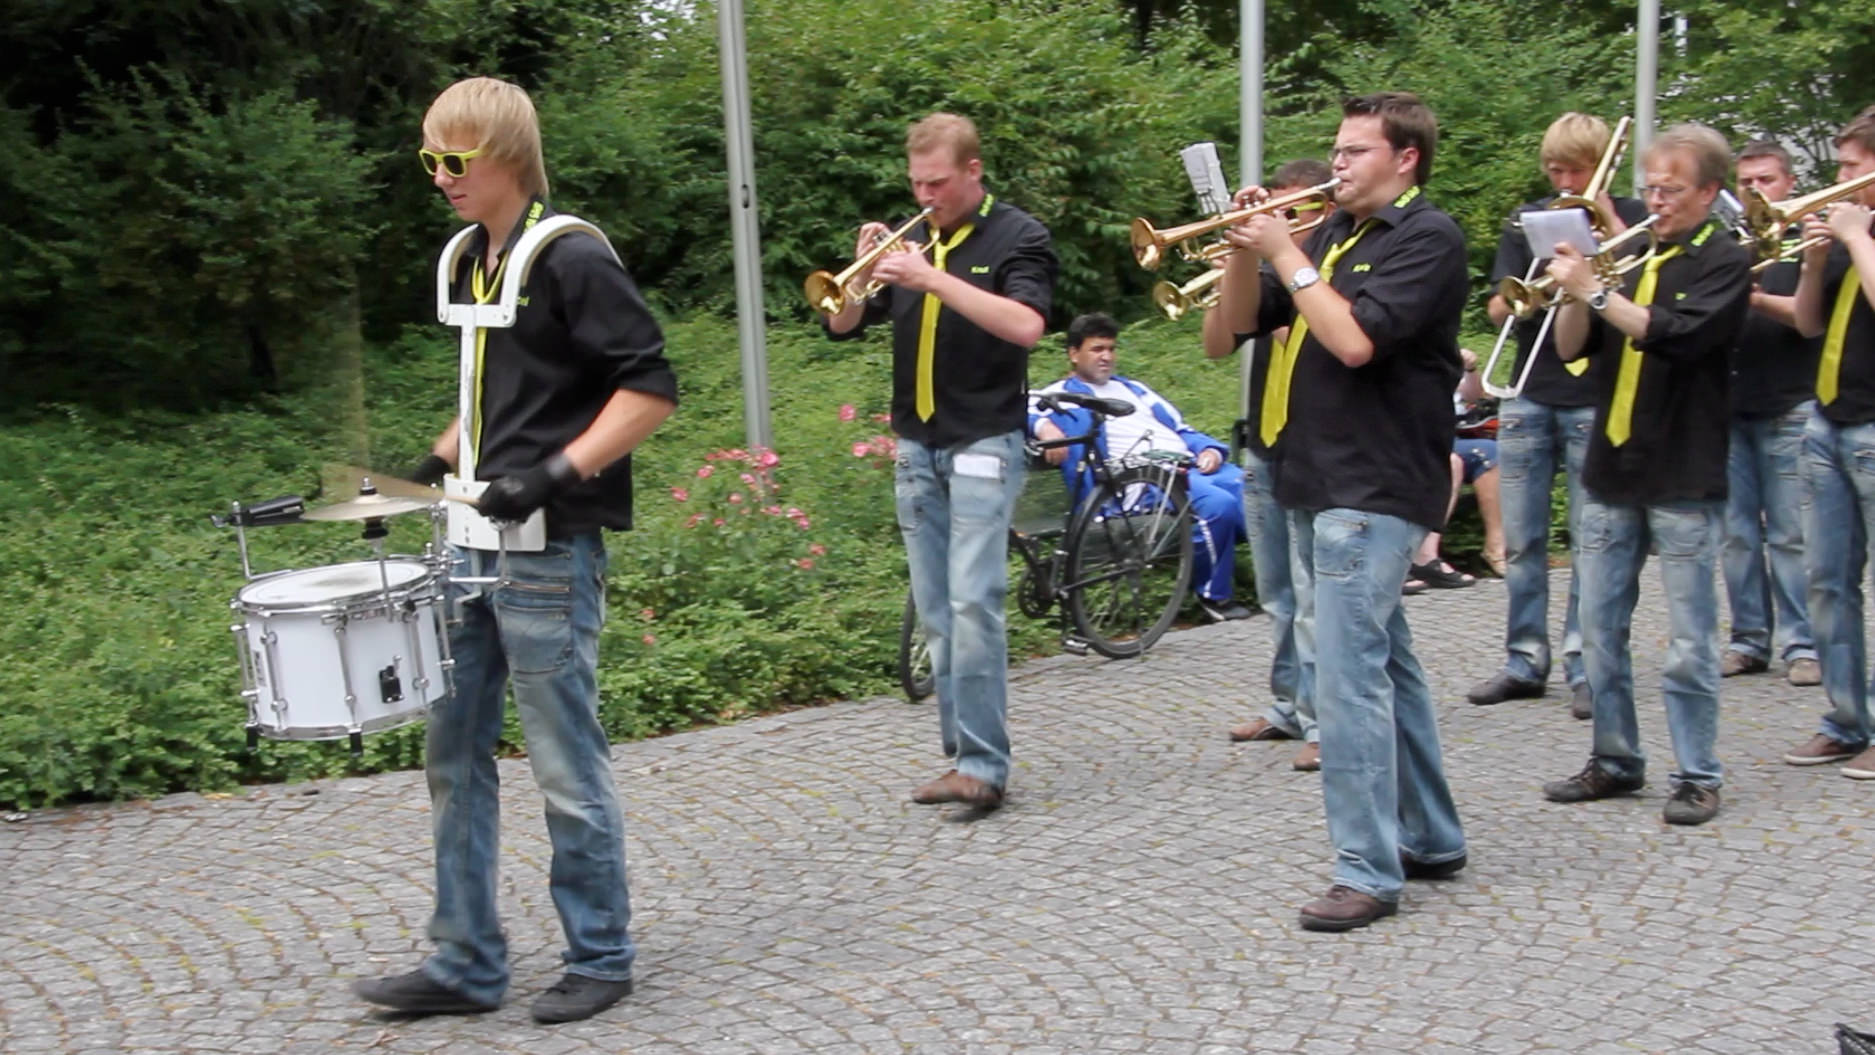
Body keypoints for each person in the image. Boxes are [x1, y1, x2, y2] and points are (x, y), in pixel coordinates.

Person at [353, 77, 679, 1023]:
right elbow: (496, 394)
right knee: (452, 756)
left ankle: (601, 953)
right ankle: (464, 961)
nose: (439, 176)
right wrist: (432, 464)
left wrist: (555, 472)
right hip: (466, 548)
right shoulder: (468, 258)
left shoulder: (571, 257)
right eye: (430, 158)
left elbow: (650, 390)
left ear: (506, 156)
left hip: (547, 550)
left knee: (564, 763)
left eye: (454, 158)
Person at [1213, 92, 1469, 931]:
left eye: (1356, 150)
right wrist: (1244, 249)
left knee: (1347, 678)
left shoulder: (1427, 236)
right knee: (1388, 665)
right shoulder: (1329, 236)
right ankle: (1429, 836)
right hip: (1316, 476)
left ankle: (1365, 868)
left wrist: (1286, 252)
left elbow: (1355, 340)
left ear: (1405, 158)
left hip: (1377, 482)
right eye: (1335, 148)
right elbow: (1232, 329)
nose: (1337, 163)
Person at [825, 112, 1057, 810]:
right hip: (916, 446)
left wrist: (932, 279)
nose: (925, 197)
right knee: (936, 611)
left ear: (972, 171)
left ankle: (984, 765)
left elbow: (1026, 325)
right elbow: (840, 323)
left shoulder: (1019, 236)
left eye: (938, 183)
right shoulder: (911, 241)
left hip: (983, 440)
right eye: (916, 183)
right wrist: (859, 278)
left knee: (973, 602)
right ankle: (962, 754)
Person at [1540, 122, 1752, 826]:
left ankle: (1697, 773)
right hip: (1611, 463)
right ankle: (1614, 757)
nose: (1655, 201)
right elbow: (1573, 349)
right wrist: (1573, 293)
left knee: (1689, 639)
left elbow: (1678, 335)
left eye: (1671, 190)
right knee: (1598, 627)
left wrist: (1598, 292)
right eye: (1651, 188)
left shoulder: (1724, 259)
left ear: (1709, 192)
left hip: (1682, 467)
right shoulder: (1630, 257)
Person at [1469, 113, 1649, 719]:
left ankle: (1583, 663)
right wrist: (1532, 286)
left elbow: (1646, 291)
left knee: (1592, 539)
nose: (1564, 181)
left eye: (1575, 170)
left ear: (1601, 167)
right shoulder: (1528, 219)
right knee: (1522, 539)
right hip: (1529, 389)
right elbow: (1498, 308)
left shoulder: (1634, 217)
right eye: (1554, 170)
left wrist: (1609, 227)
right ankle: (1524, 660)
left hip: (1596, 394)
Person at [1210, 158, 1333, 773]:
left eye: (1293, 211)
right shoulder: (1267, 274)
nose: (1281, 221)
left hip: (1312, 448)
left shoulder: (1328, 273)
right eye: (1274, 210)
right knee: (1279, 594)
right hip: (1263, 445)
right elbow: (1217, 342)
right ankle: (1289, 704)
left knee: (1313, 597)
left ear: (1324, 211)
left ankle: (1324, 720)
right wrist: (1234, 261)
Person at [1031, 313, 1250, 622]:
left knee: (1257, 491)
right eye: (1097, 349)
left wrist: (1208, 449)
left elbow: (1181, 428)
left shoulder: (1133, 388)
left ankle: (1279, 583)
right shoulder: (1060, 394)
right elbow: (1021, 408)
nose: (1107, 356)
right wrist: (1045, 428)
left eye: (1111, 348)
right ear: (1074, 353)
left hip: (1190, 463)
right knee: (1219, 506)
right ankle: (1215, 597)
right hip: (1145, 479)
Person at [1785, 111, 1875, 777]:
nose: (1837, 178)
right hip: (1826, 423)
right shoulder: (1851, 233)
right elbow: (1807, 323)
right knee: (1826, 582)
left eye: (1850, 167)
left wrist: (1853, 237)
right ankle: (1847, 719)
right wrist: (1816, 262)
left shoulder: (1859, 234)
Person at [1721, 141, 1822, 686]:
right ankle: (1748, 640)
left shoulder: (1810, 240)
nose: (1755, 190)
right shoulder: (1727, 242)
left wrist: (1754, 298)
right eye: (1746, 182)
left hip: (1789, 402)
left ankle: (1803, 644)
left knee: (1789, 534)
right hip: (1730, 403)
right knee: (1736, 535)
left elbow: (1812, 317)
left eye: (1766, 180)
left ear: (1789, 184)